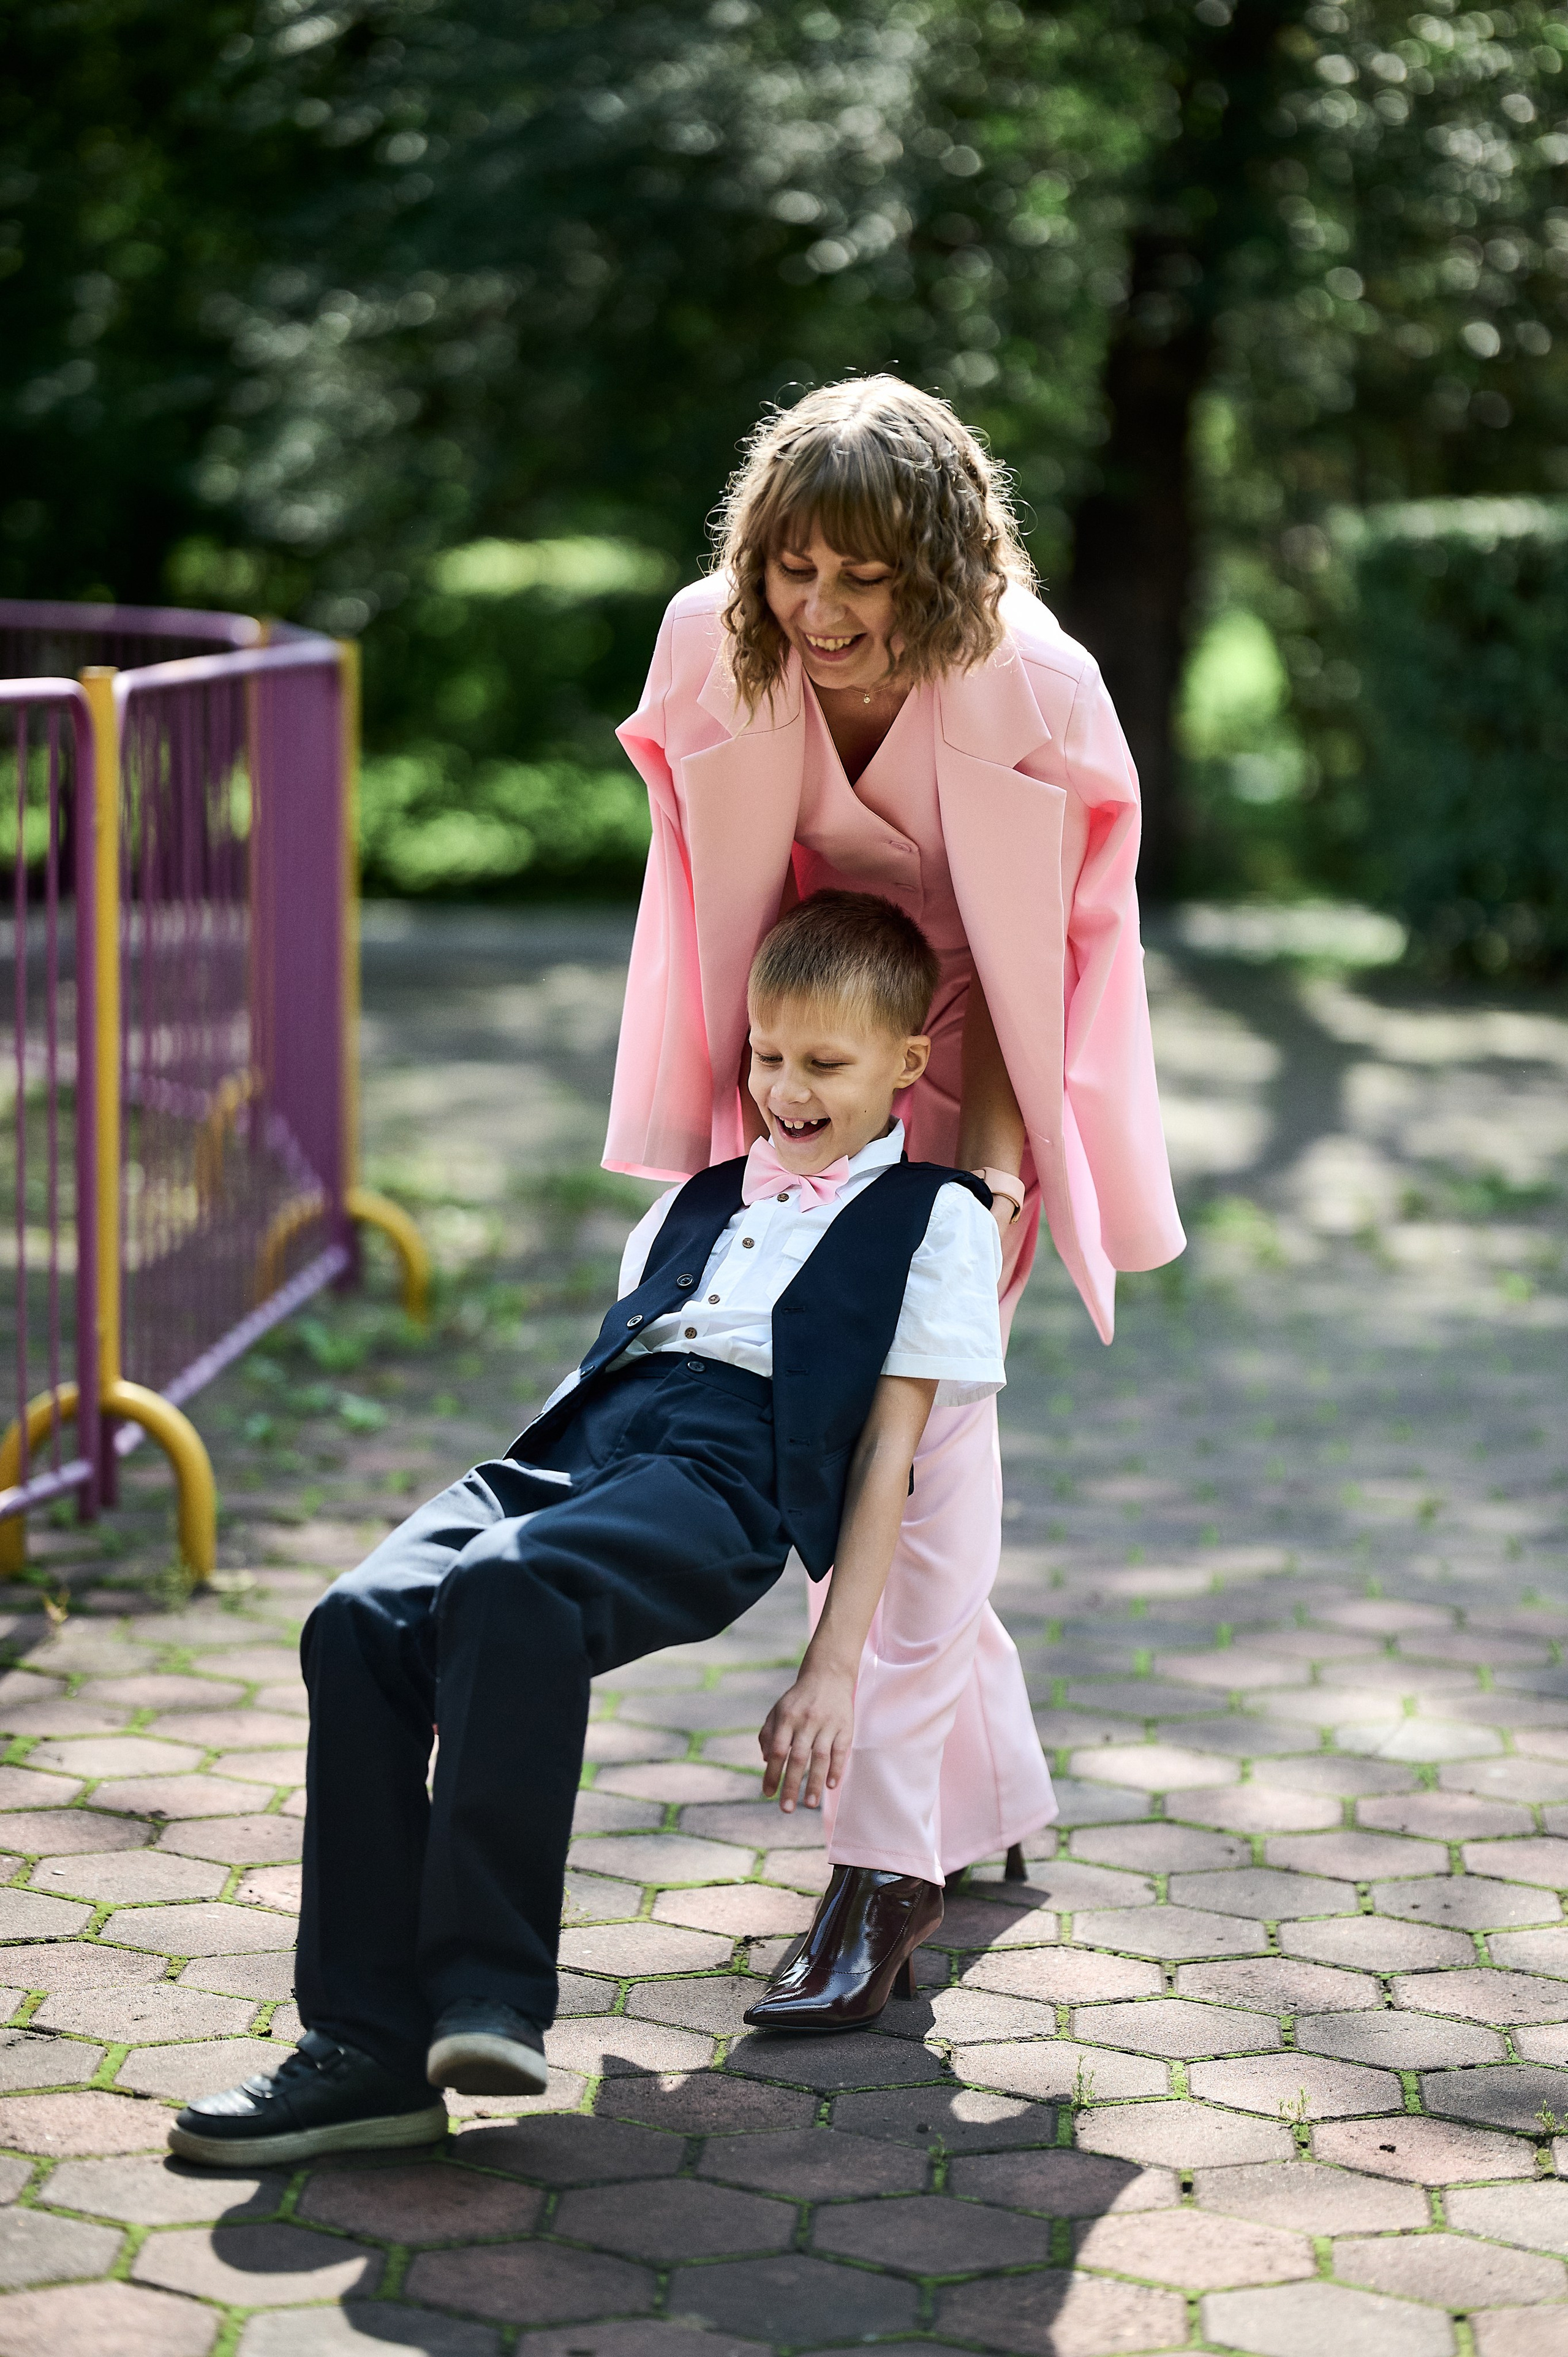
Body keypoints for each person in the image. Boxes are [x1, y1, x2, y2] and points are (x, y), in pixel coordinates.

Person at [167, 890, 1010, 2166]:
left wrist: (831, 1666)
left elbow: (894, 1452)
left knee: (515, 1585)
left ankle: (487, 1996)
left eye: (825, 1064)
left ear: (906, 1063)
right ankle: (364, 2051)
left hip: (731, 1469)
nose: (786, 1089)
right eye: (767, 1055)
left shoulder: (934, 1215)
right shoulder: (695, 1199)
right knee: (358, 1619)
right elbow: (614, 1362)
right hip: (581, 1441)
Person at [607, 375, 1185, 2021]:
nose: (820, 609)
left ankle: (882, 1874)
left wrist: (984, 1182)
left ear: (942, 567)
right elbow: (696, 900)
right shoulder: (705, 645)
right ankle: (985, 1794)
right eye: (794, 566)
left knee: (912, 1456)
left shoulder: (1039, 689)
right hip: (796, 1076)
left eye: (864, 577)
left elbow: (1040, 963)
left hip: (972, 1075)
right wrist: (744, 1118)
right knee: (836, 1446)